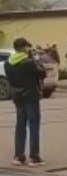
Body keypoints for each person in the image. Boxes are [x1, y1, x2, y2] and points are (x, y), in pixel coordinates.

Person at [4, 37, 46, 166]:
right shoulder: (29, 62)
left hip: (18, 97)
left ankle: (19, 156)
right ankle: (34, 157)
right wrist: (37, 60)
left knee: (20, 126)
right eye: (27, 47)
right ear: (23, 48)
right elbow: (42, 74)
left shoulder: (8, 63)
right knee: (33, 126)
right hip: (31, 97)